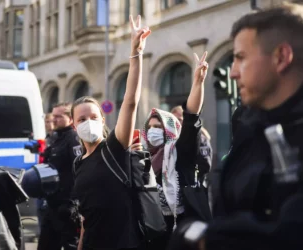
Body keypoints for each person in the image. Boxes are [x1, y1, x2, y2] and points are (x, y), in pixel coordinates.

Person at [171, 3, 303, 250]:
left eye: (241, 58)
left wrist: (204, 238)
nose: (232, 73)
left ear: (281, 57)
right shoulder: (248, 123)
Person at [71, 15, 151, 250]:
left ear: (103, 119)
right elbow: (86, 216)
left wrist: (135, 54)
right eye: (82, 119)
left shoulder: (114, 148)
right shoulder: (78, 163)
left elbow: (130, 102)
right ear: (74, 126)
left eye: (94, 117)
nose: (89, 123)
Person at [141, 52, 211, 250]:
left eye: (159, 126)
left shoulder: (179, 150)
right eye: (151, 127)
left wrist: (197, 82)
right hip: (151, 231)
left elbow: (191, 118)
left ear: (170, 130)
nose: (154, 131)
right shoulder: (141, 157)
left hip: (181, 226)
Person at [38, 102, 82, 250]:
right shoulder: (56, 138)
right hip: (52, 204)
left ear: (70, 118)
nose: (54, 119)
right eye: (53, 116)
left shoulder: (74, 139)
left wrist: (73, 203)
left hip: (67, 207)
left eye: (59, 116)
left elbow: (79, 171)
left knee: (70, 245)